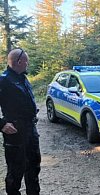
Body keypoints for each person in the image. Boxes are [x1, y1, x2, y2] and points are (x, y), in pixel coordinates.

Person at [0, 48, 41, 195]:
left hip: (30, 129)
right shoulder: (3, 80)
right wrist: (2, 124)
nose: (28, 63)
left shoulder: (22, 77)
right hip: (15, 132)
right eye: (26, 61)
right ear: (19, 62)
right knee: (15, 170)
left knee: (34, 168)